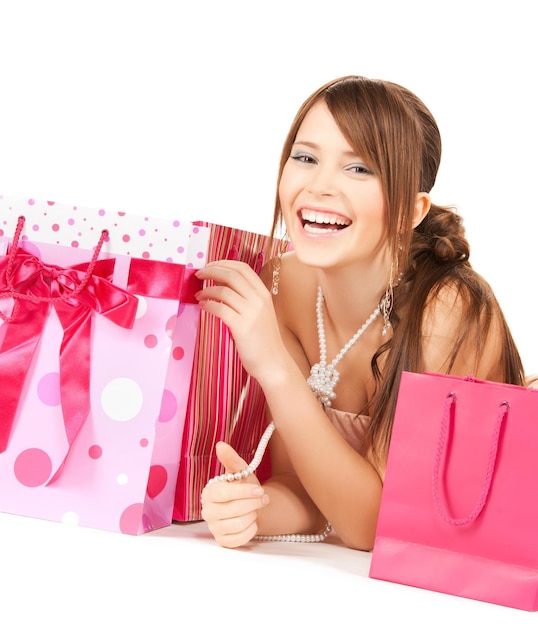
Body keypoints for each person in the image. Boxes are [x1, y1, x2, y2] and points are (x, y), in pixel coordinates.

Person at [195, 75, 525, 550]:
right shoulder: (283, 285)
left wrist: (275, 368)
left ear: (413, 211)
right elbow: (310, 490)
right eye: (305, 158)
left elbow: (375, 527)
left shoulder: (446, 312)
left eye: (360, 169)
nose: (320, 186)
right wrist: (254, 507)